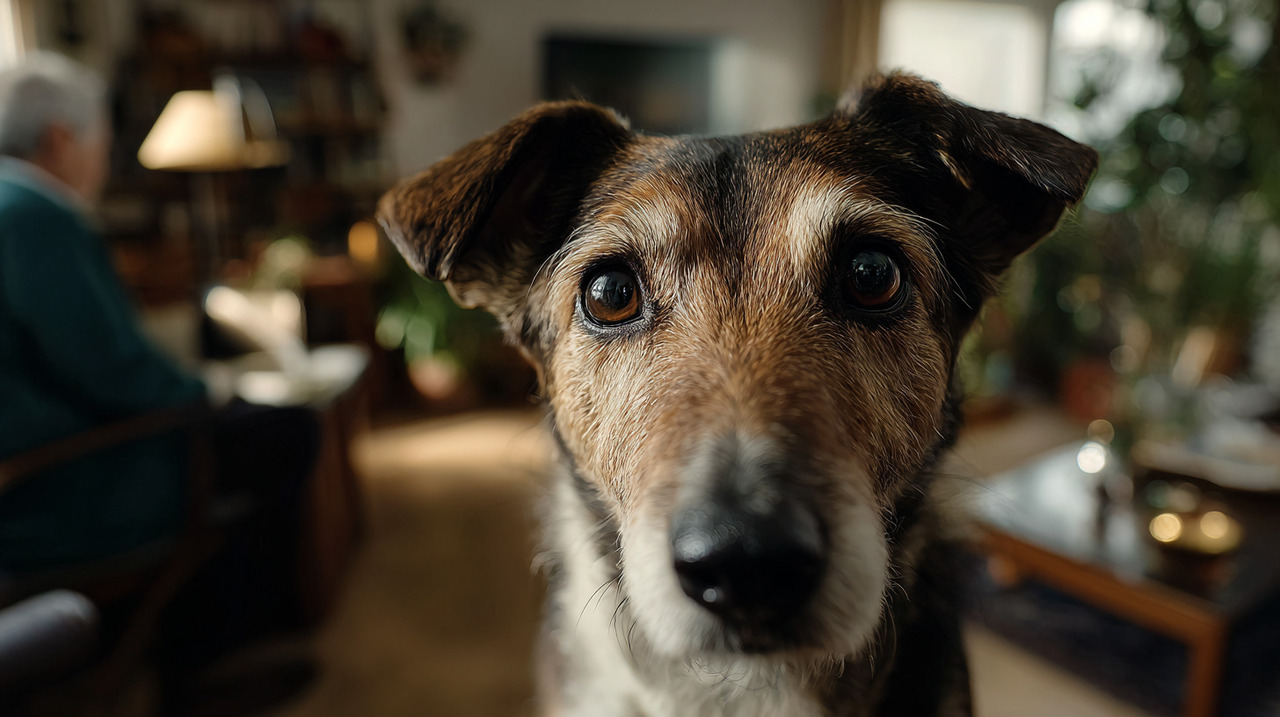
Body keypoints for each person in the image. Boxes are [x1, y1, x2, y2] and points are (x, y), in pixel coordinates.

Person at [0, 53, 320, 700]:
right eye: (101, 141)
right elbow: (112, 370)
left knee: (257, 429)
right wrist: (207, 391)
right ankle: (206, 661)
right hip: (57, 490)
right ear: (61, 137)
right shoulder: (34, 215)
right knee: (284, 430)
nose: (102, 159)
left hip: (33, 468)